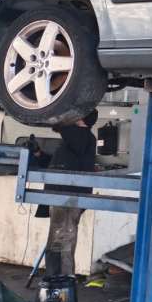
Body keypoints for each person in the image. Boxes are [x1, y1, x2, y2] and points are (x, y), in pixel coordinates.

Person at [44, 109, 98, 276]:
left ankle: (62, 278)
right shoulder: (78, 139)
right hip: (64, 196)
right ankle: (56, 277)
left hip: (68, 198)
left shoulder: (82, 137)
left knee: (63, 238)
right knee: (60, 237)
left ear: (81, 119)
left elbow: (59, 126)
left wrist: (59, 116)